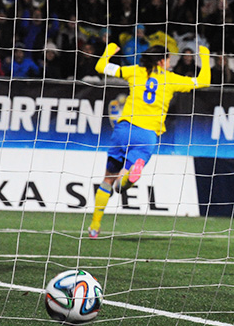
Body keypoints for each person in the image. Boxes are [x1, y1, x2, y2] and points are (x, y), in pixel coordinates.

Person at [88, 43, 211, 238]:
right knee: (123, 181)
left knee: (108, 178)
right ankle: (128, 179)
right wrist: (204, 56)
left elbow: (101, 67)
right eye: (168, 59)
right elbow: (204, 80)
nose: (170, 63)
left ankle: (95, 226)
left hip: (124, 129)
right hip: (147, 136)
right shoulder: (171, 79)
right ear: (162, 61)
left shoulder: (134, 71)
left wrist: (108, 51)